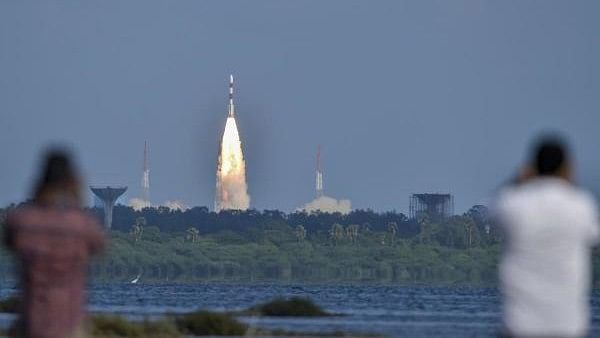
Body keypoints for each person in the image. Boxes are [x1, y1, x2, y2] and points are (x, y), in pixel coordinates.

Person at [494, 136, 599, 338]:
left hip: (520, 325)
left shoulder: (514, 204)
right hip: (568, 326)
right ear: (567, 168)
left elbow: (495, 209)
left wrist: (519, 180)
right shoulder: (581, 206)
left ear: (532, 168)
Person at [4, 150, 105, 338]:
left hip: (31, 323)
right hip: (70, 325)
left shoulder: (21, 222)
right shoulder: (82, 226)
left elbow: (9, 239)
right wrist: (76, 199)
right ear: (71, 181)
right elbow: (99, 244)